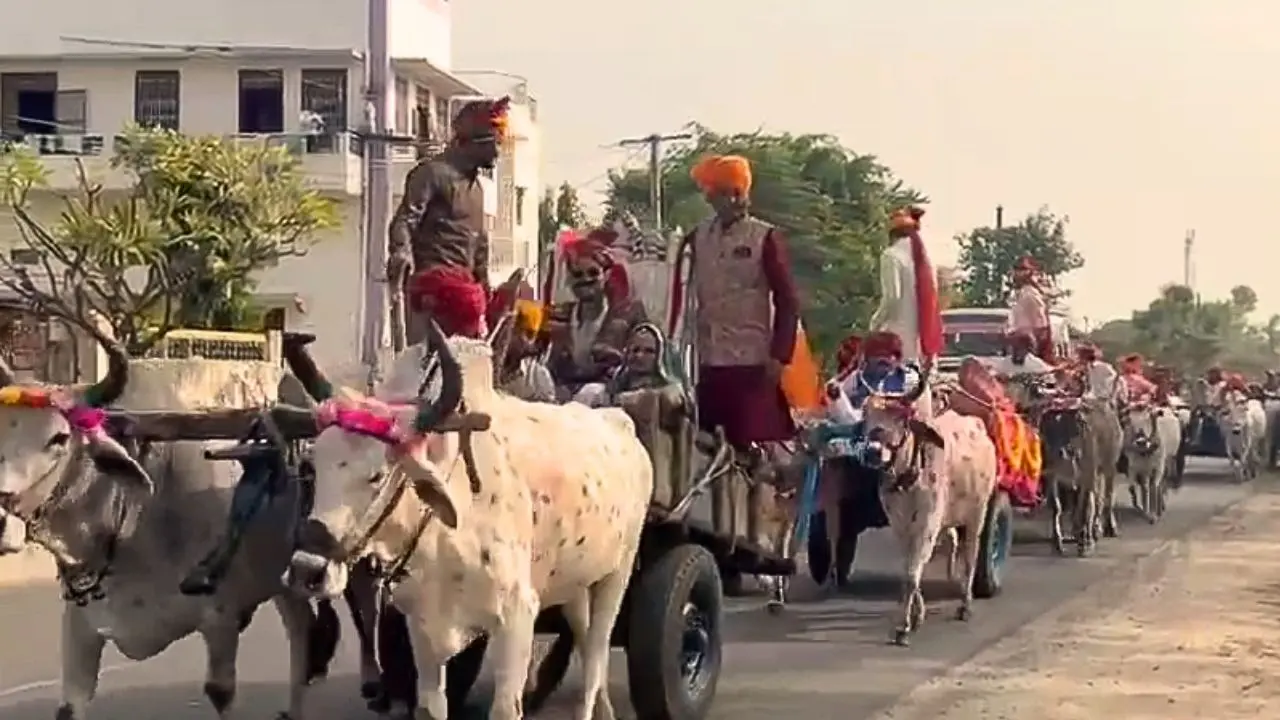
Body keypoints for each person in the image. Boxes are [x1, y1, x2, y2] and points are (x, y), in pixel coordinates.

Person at [667, 154, 804, 456]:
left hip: (753, 364)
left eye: (740, 190)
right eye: (726, 191)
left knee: (751, 453)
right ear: (712, 197)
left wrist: (780, 356)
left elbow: (788, 300)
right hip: (710, 361)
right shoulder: (696, 238)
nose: (736, 198)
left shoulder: (764, 237)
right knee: (706, 450)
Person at [387, 97, 510, 341]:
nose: (498, 152)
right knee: (429, 366)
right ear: (475, 142)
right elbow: (405, 219)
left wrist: (485, 286)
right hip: (434, 291)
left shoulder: (478, 188)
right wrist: (401, 252)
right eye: (495, 143)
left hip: (466, 296)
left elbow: (479, 243)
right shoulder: (432, 172)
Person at [545, 229, 646, 404]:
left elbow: (645, 359)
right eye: (577, 274)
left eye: (593, 273)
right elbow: (547, 364)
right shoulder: (559, 315)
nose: (585, 280)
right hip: (563, 399)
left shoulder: (628, 314)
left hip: (609, 399)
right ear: (569, 279)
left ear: (605, 276)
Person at [868, 206, 943, 417]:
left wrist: (875, 324)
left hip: (896, 339)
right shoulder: (927, 261)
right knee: (921, 389)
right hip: (921, 341)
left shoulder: (891, 256)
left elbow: (892, 298)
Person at [1007, 256, 1055, 363]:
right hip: (1017, 350)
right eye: (1016, 269)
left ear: (1031, 272)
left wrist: (1031, 346)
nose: (1018, 273)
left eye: (1022, 269)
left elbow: (1042, 328)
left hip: (1028, 352)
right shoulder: (1019, 295)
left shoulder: (1030, 294)